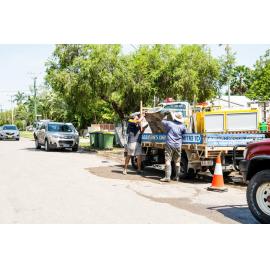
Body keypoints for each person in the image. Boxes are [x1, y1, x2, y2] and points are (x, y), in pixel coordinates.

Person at [160, 112, 186, 182]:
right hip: (178, 145)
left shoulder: (169, 123)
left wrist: (165, 115)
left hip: (170, 144)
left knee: (168, 160)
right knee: (177, 161)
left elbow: (162, 121)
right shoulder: (182, 126)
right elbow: (184, 133)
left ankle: (167, 177)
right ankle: (177, 177)